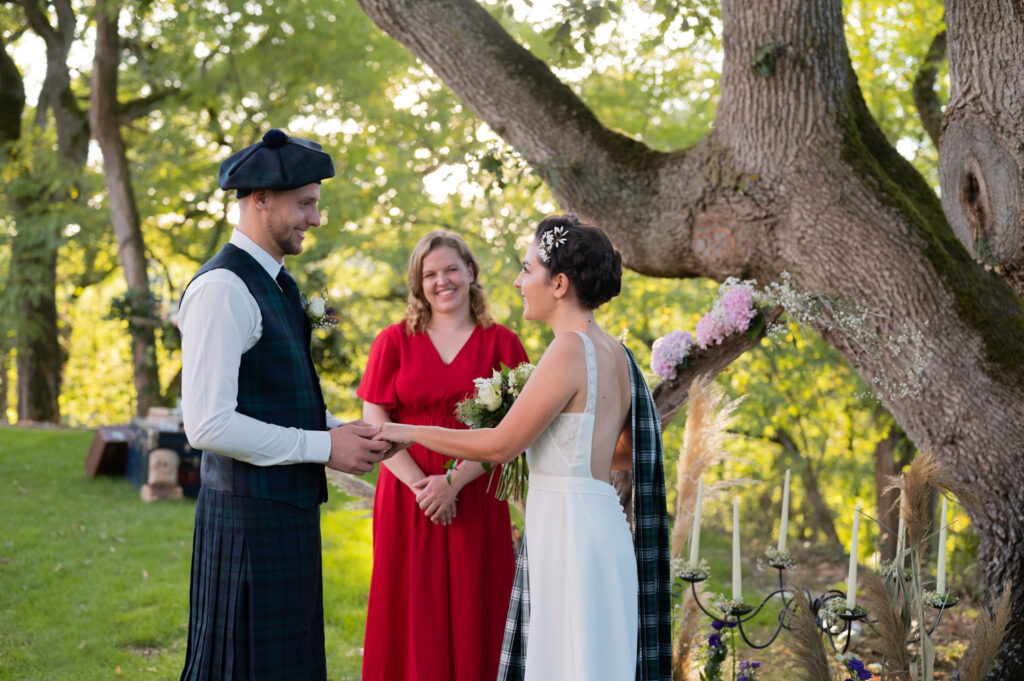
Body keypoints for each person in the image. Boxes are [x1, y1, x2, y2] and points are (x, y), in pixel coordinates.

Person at [377, 215, 673, 681]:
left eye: (527, 269)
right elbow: (620, 452)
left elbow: (500, 445)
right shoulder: (613, 350)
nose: (518, 281)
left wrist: (408, 432)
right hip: (596, 525)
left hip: (571, 534)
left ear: (557, 284)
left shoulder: (568, 349)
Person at [178, 128, 393, 681]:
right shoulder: (222, 288)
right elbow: (206, 424)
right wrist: (323, 446)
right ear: (260, 199)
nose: (316, 219)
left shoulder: (282, 285)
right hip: (247, 522)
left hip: (285, 513)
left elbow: (280, 392)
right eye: (305, 204)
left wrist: (338, 429)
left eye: (315, 204)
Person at [358, 230, 529, 681]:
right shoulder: (392, 342)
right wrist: (425, 487)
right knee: (411, 611)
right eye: (429, 274)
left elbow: (514, 428)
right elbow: (375, 422)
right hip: (409, 497)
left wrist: (453, 481)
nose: (442, 281)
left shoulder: (503, 344)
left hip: (476, 491)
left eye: (452, 269)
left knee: (480, 604)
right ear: (418, 283)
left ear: (471, 272)